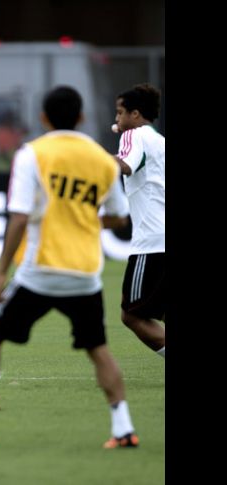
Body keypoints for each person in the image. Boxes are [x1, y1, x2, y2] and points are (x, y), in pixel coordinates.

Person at [0, 86, 139, 449]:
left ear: (44, 118)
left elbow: (19, 217)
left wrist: (1, 271)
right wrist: (87, 221)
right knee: (98, 348)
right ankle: (123, 429)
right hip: (86, 274)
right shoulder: (101, 160)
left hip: (39, 271)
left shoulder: (33, 154)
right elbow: (120, 217)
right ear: (81, 118)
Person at [113, 84, 165, 358]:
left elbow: (123, 165)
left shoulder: (133, 135)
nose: (117, 120)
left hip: (152, 242)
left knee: (132, 315)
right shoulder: (160, 141)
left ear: (135, 114)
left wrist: (86, 158)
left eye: (120, 113)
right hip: (161, 238)